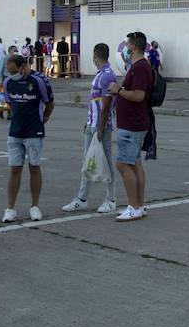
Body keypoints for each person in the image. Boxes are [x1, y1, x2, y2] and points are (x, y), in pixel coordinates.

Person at [62, 42, 118, 214]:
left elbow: (106, 105)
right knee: (87, 162)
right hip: (92, 124)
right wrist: (89, 122)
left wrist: (100, 128)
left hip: (100, 126)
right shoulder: (101, 74)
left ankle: (111, 199)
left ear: (95, 55)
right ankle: (82, 198)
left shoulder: (107, 75)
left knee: (106, 161)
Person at [0, 53, 53, 223]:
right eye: (8, 72)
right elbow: (9, 103)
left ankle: (35, 206)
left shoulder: (39, 81)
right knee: (15, 169)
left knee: (34, 167)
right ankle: (10, 209)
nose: (11, 75)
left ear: (23, 67)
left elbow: (50, 103)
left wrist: (43, 119)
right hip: (15, 132)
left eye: (13, 71)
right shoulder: (8, 83)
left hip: (34, 131)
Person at [110, 31, 154, 222]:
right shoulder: (137, 66)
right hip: (133, 123)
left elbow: (138, 95)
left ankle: (133, 206)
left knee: (123, 164)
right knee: (134, 163)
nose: (125, 49)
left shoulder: (140, 67)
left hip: (132, 124)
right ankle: (139, 205)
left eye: (127, 45)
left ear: (134, 47)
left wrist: (118, 90)